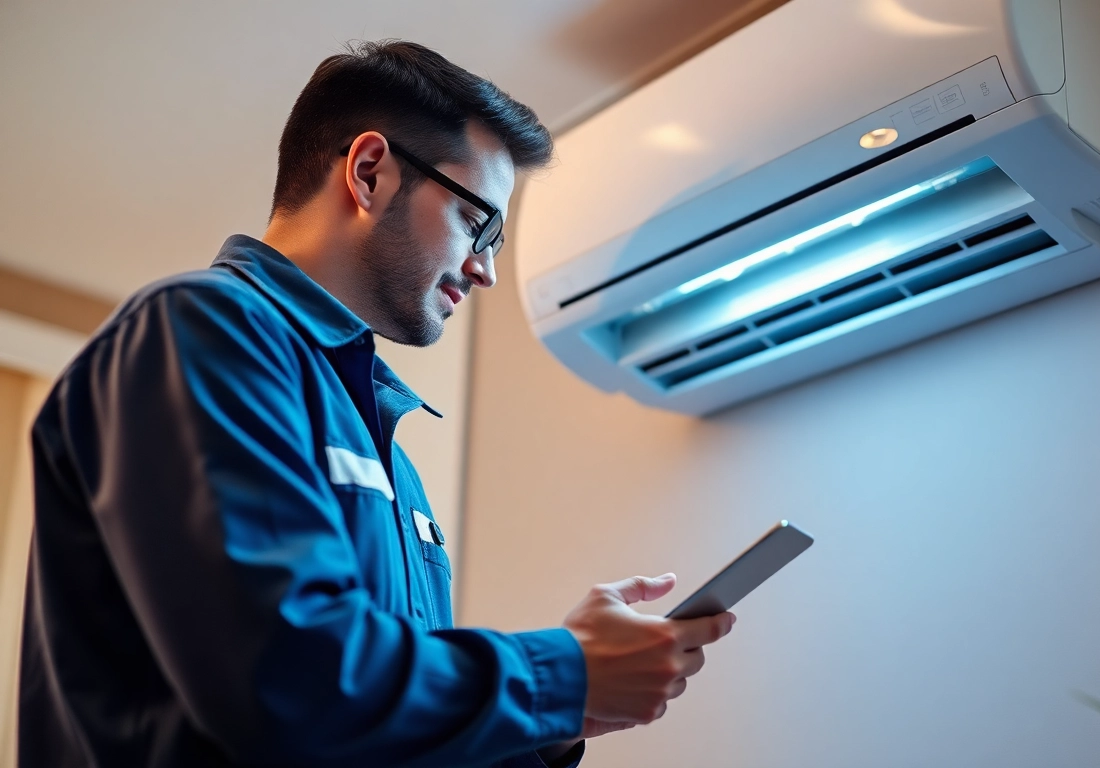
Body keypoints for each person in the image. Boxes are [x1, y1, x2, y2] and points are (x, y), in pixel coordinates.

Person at [19, 39, 734, 768]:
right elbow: (287, 685)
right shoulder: (199, 330)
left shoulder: (387, 451)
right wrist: (560, 673)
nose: (485, 270)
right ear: (369, 173)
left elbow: (374, 733)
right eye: (477, 224)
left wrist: (557, 720)